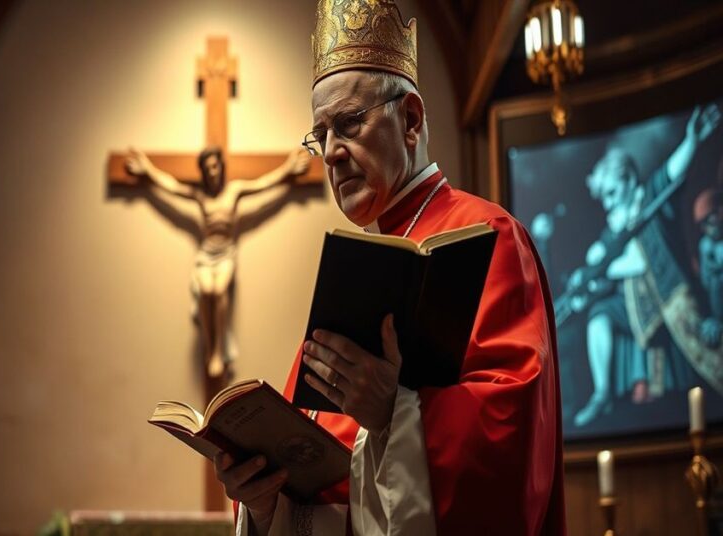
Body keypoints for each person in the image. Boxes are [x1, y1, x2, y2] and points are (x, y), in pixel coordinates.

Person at [215, 1, 565, 534]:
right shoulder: (358, 270)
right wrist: (262, 503)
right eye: (321, 135)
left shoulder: (488, 238)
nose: (332, 152)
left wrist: (389, 414)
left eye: (349, 123)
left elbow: (508, 450)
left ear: (411, 118)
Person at [570, 105, 719, 427]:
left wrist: (691, 141)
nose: (608, 203)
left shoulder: (650, 198)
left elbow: (672, 173)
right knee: (600, 317)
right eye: (604, 198)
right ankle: (602, 392)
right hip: (631, 306)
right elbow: (603, 263)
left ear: (628, 180)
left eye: (611, 194)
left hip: (668, 298)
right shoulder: (613, 227)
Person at [126, 146, 310, 378]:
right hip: (206, 254)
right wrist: (147, 170)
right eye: (207, 168)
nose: (212, 171)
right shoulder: (200, 196)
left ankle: (217, 351)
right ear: (203, 171)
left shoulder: (234, 191)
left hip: (226, 254)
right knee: (205, 290)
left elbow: (264, 184)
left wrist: (288, 169)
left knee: (219, 289)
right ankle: (209, 346)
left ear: (221, 167)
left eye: (215, 166)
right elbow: (171, 187)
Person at [694, 188, 723, 347]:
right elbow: (707, 283)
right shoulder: (706, 246)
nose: (707, 228)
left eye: (709, 220)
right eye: (703, 224)